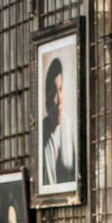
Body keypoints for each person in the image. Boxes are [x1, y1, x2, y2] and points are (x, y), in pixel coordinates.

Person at [41, 55, 76, 186]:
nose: (59, 99)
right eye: (54, 92)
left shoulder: (69, 125)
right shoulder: (43, 130)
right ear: (48, 98)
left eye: (60, 90)